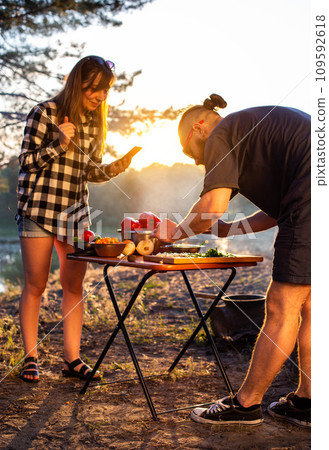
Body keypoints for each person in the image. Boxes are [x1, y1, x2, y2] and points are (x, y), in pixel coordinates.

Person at [154, 94, 311, 428]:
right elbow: (275, 212)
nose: (199, 162)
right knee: (310, 306)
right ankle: (308, 401)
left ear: (198, 128)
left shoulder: (222, 133)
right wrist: (228, 229)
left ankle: (246, 405)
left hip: (312, 198)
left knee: (282, 307)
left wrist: (174, 233)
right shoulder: (251, 133)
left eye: (190, 153)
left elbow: (211, 206)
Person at [16, 55, 136, 382]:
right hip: (38, 210)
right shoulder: (44, 113)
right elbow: (26, 162)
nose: (100, 96)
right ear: (77, 83)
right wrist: (58, 143)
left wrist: (117, 166)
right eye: (94, 89)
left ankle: (72, 359)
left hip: (74, 214)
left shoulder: (97, 122)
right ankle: (30, 358)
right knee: (36, 285)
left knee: (73, 286)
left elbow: (91, 172)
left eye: (105, 91)